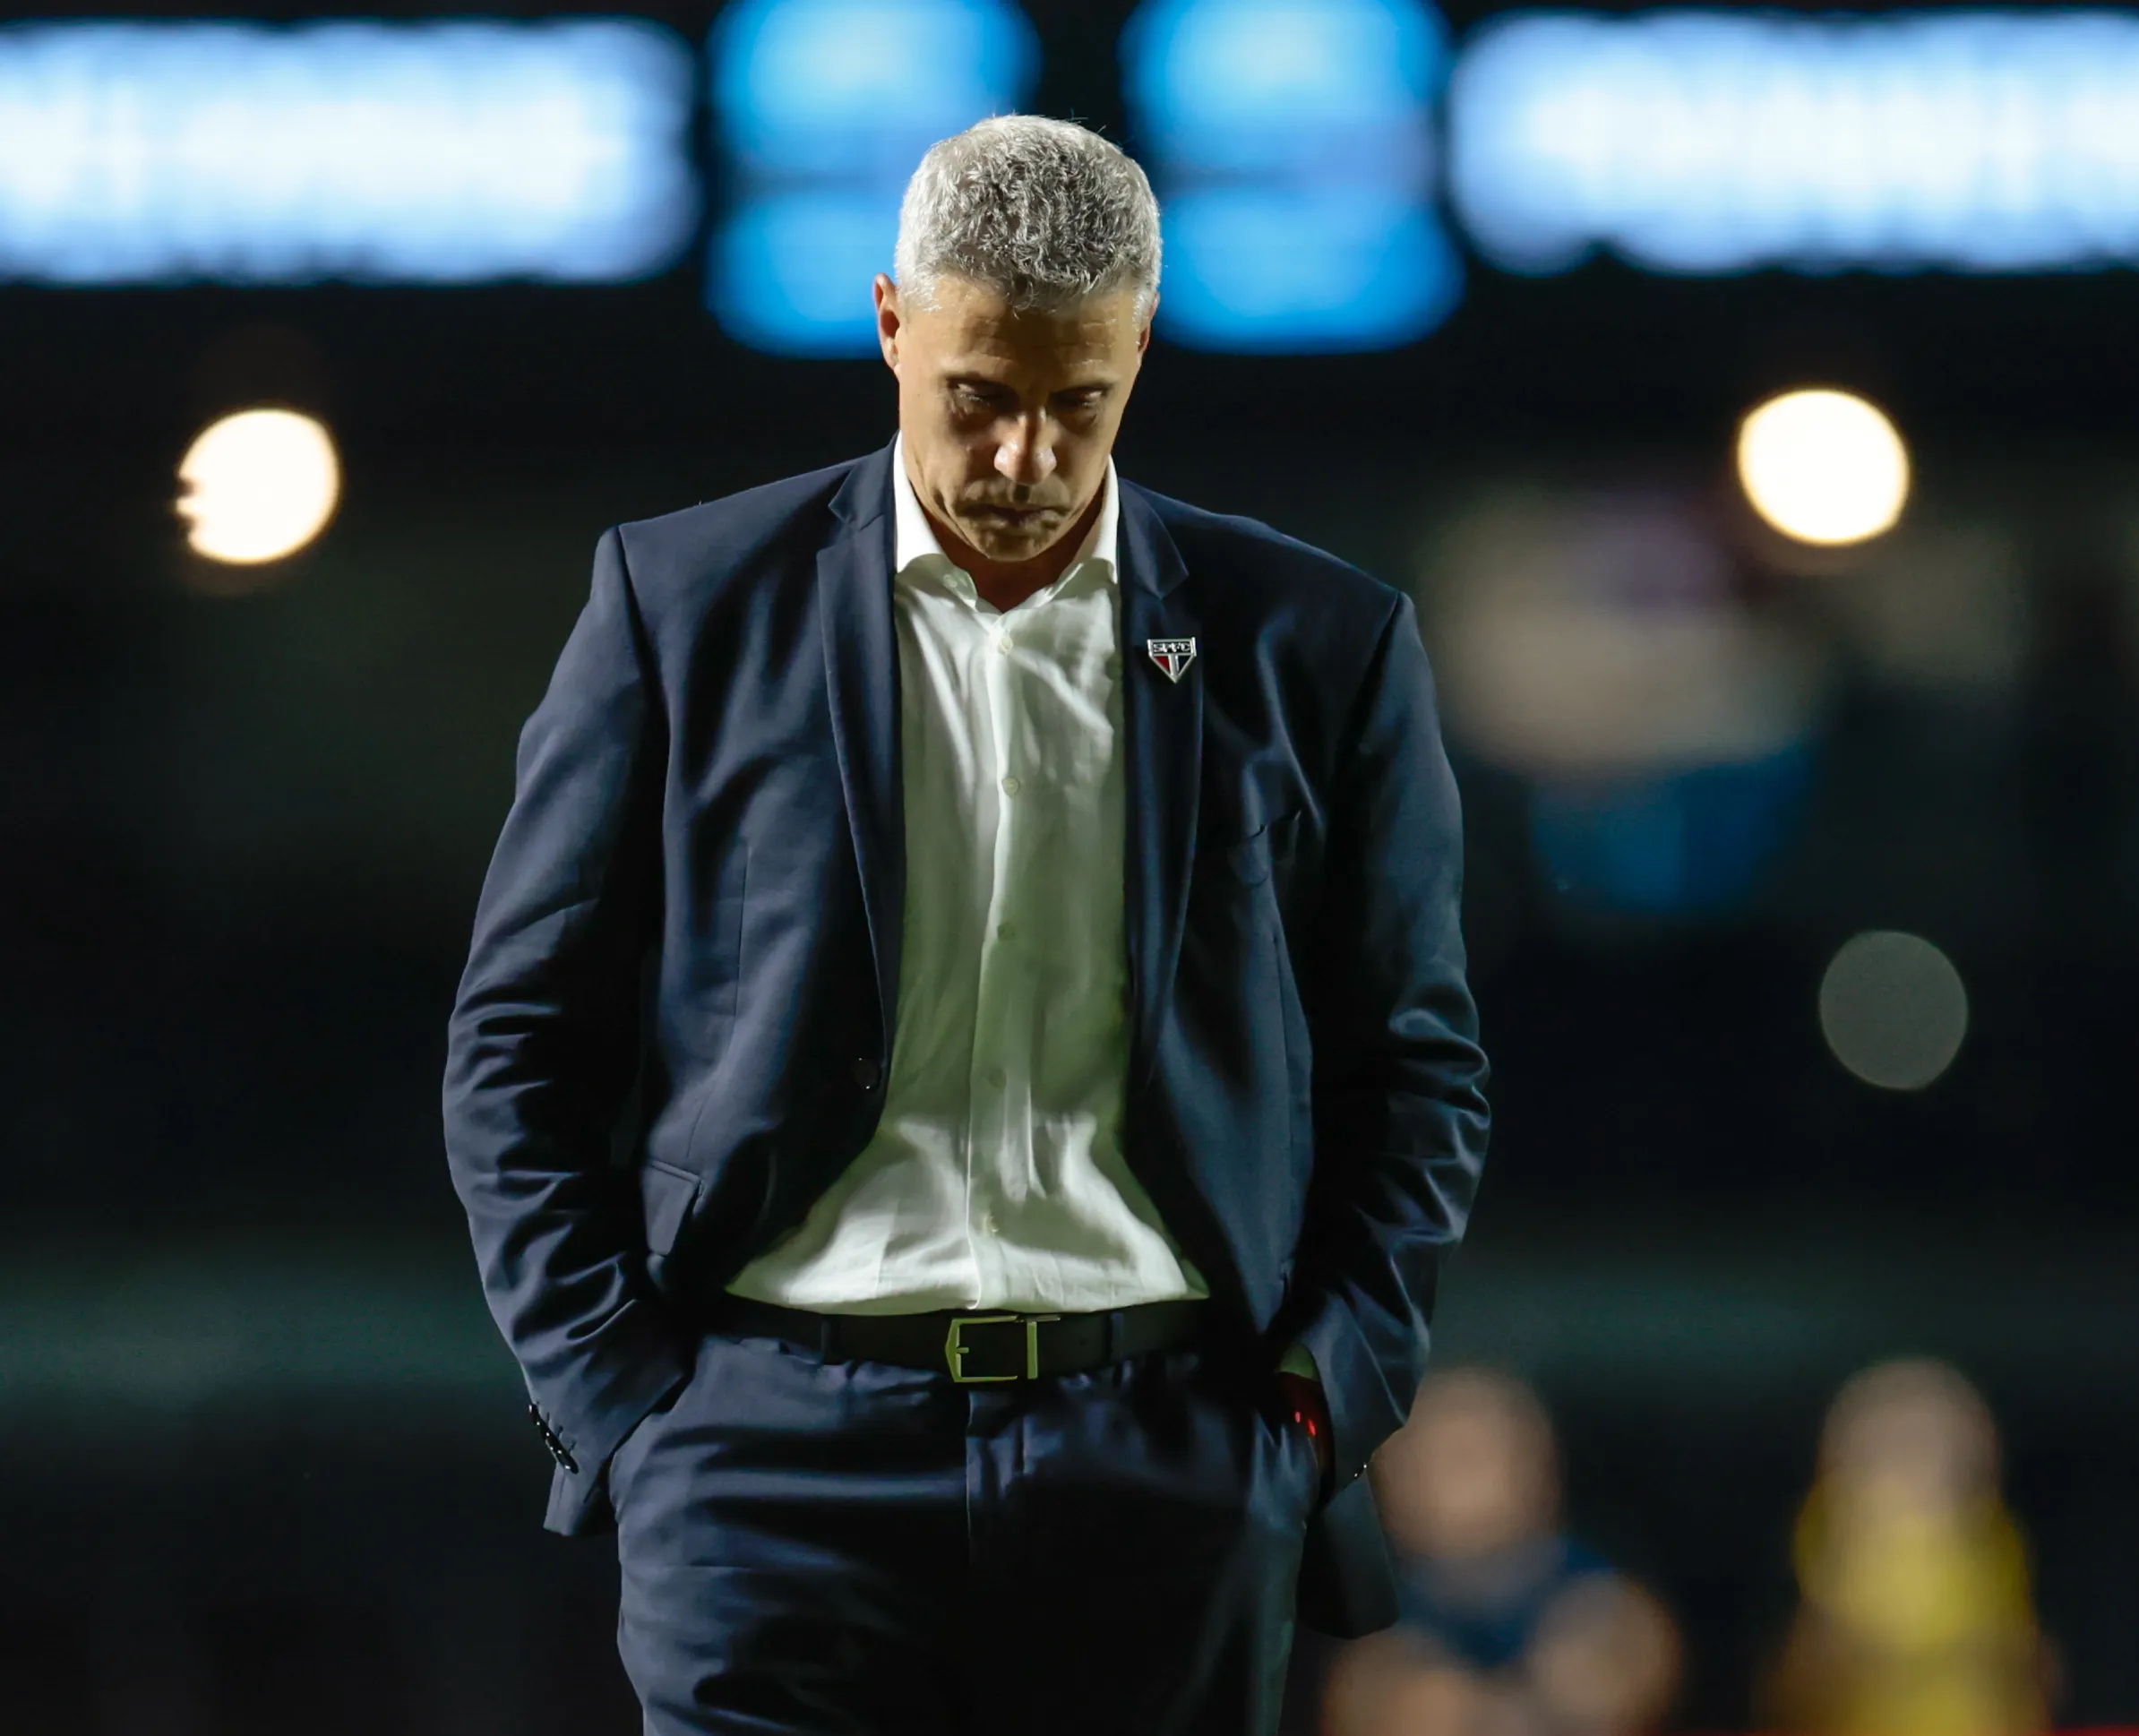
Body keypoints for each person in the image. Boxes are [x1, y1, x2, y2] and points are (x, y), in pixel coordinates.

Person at [442, 115, 1490, 1736]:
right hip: (760, 1450)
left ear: (1142, 343)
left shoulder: (1323, 642)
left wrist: (1312, 1396)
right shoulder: (680, 602)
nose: (1024, 460)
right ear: (888, 324)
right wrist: (625, 1400)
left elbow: (1415, 1063)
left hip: (1169, 1450)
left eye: (1078, 402)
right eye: (976, 398)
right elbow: (514, 1038)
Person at [1321, 1366, 1682, 1736]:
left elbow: (1641, 1660)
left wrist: (1593, 1672)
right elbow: (1361, 1698)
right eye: (1415, 1465)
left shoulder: (1588, 1590)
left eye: (1466, 1458)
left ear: (1537, 1469)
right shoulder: (1390, 1617)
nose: (1440, 1485)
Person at [1764, 1359, 2053, 1736]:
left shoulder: (1994, 1557)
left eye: (1926, 1449)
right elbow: (1796, 1682)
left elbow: (2027, 1666)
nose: (1908, 1475)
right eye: (1887, 1452)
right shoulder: (1823, 1560)